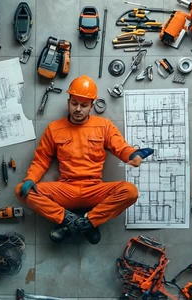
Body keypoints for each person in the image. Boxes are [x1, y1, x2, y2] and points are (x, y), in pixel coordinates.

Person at [14, 75, 153, 244]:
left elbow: (120, 147)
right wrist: (31, 179)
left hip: (94, 189)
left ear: (92, 106)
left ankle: (86, 222)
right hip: (65, 189)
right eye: (74, 103)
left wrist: (132, 155)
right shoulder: (54, 129)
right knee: (22, 190)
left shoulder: (104, 126)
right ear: (68, 102)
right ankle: (74, 222)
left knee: (130, 192)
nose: (78, 109)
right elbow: (41, 159)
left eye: (84, 105)